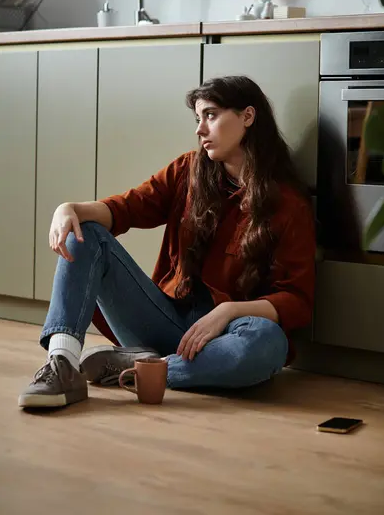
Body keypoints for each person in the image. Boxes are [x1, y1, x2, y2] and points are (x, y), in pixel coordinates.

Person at [18, 75, 316, 409]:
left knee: (267, 343)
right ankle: (62, 365)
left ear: (248, 116)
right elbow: (127, 208)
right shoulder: (188, 170)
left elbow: (297, 300)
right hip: (164, 321)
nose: (200, 129)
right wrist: (68, 208)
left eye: (211, 115)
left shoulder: (289, 205)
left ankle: (146, 367)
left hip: (228, 334)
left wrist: (229, 310)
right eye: (198, 118)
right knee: (83, 232)